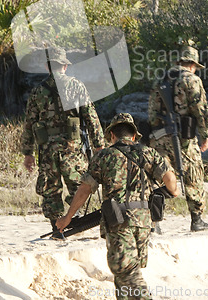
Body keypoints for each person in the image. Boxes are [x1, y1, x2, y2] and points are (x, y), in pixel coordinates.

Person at [56, 113, 178, 299]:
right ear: (134, 135)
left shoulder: (104, 156)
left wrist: (67, 217)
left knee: (127, 271)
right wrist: (168, 193)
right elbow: (171, 181)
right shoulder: (149, 152)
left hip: (119, 221)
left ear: (112, 135)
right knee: (123, 275)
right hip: (144, 222)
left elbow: (84, 190)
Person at [21, 47, 105, 236]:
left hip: (47, 149)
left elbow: (29, 124)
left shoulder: (37, 92)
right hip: (72, 148)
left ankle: (55, 226)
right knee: (78, 185)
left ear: (47, 66)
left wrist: (28, 153)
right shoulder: (77, 86)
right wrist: (98, 145)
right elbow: (91, 117)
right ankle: (73, 220)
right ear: (65, 66)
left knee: (50, 189)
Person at [148, 44, 208, 232]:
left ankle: (155, 223)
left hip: (159, 136)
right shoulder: (192, 80)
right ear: (192, 64)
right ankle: (197, 219)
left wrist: (155, 135)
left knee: (159, 177)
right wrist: (205, 135)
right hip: (183, 138)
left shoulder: (160, 79)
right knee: (193, 174)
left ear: (179, 62)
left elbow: (152, 112)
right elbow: (201, 111)